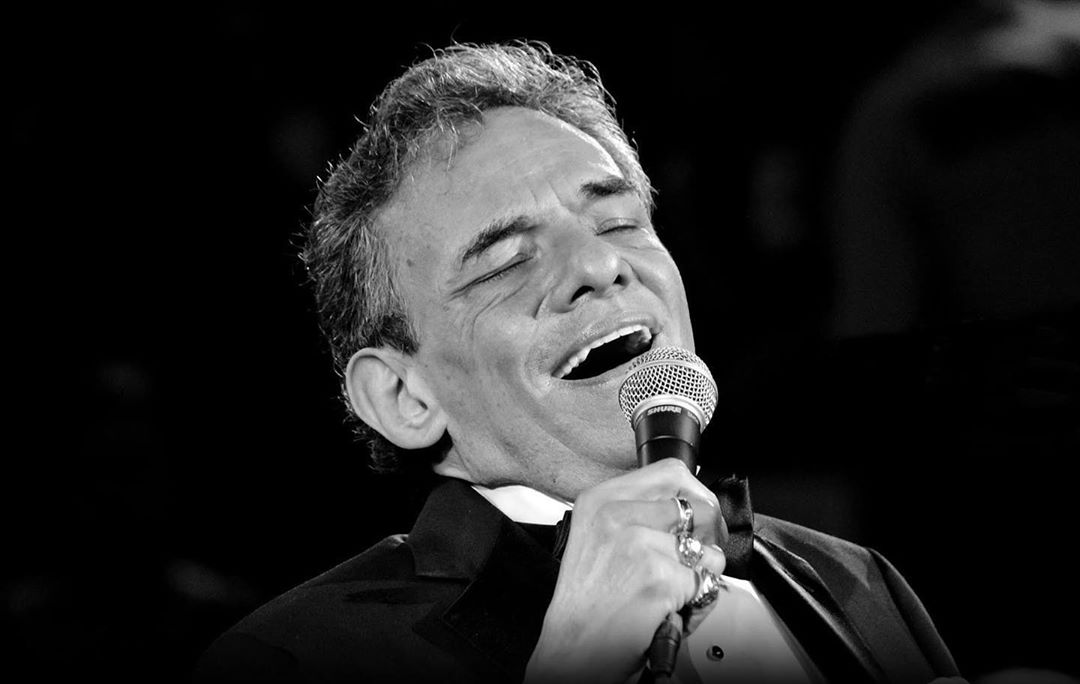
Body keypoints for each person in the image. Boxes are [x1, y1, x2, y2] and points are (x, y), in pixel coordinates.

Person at [194, 42, 963, 683]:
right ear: (404, 396)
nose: (599, 266)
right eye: (504, 263)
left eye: (620, 222)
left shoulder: (859, 583)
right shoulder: (295, 659)